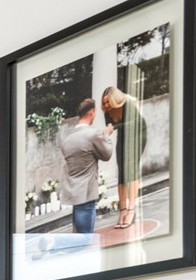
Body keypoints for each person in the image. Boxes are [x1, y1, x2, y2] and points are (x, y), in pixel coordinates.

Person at [56, 98, 116, 241]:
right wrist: (106, 135)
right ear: (91, 112)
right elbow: (106, 154)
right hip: (87, 194)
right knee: (85, 240)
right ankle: (53, 244)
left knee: (78, 238)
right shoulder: (92, 134)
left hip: (74, 194)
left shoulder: (68, 140)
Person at [101, 87, 148, 229]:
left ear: (115, 99)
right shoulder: (107, 110)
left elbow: (131, 124)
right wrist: (109, 129)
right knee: (121, 170)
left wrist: (113, 127)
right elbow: (110, 125)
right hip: (123, 134)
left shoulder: (127, 103)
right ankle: (122, 210)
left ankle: (131, 210)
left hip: (138, 132)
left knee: (131, 168)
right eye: (104, 103)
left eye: (108, 102)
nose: (106, 105)